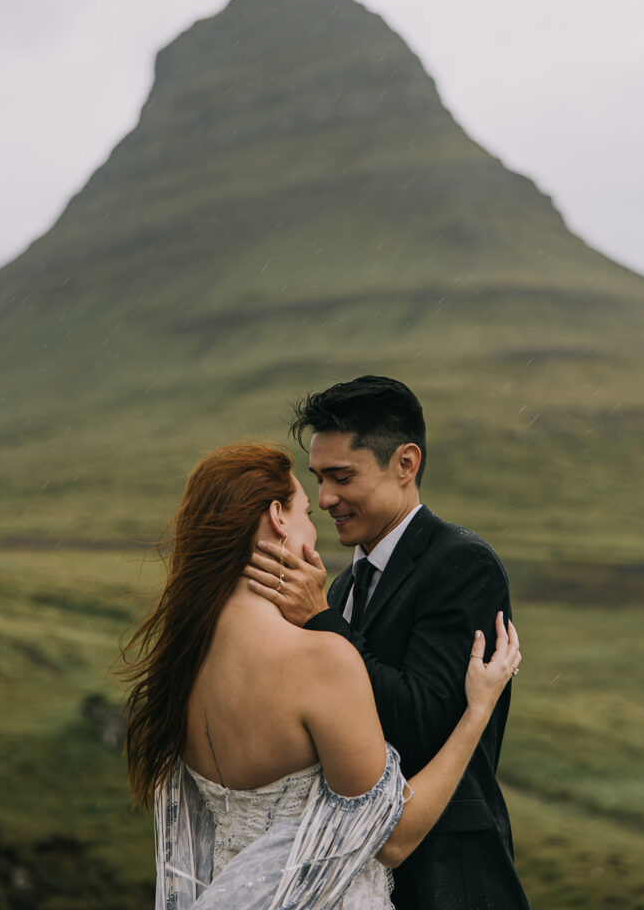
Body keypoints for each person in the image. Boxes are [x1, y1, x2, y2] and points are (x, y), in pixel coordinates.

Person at [121, 441, 521, 910]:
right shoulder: (321, 661)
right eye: (305, 509)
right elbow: (392, 841)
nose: (319, 520)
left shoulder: (183, 662)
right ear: (277, 517)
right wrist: (477, 710)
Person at [244, 376, 530, 909]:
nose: (326, 498)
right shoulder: (345, 584)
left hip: (448, 879)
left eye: (342, 477)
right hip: (361, 879)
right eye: (319, 479)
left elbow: (423, 723)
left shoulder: (461, 564)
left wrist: (323, 621)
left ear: (405, 464)